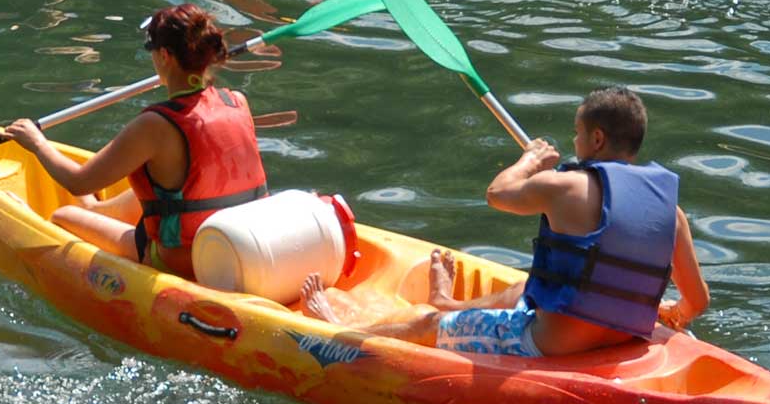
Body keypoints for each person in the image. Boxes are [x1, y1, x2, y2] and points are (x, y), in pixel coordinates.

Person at [296, 87, 709, 358]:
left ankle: (341, 333)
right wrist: (674, 313)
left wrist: (530, 160)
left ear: (597, 139)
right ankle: (451, 303)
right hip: (622, 339)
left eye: (578, 133)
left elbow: (498, 194)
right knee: (522, 288)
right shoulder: (670, 213)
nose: (575, 142)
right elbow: (698, 301)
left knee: (428, 323)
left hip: (546, 344)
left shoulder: (563, 186)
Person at [5, 5, 269, 281]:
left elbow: (78, 182)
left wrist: (36, 143)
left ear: (165, 55)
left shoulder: (155, 125)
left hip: (185, 261)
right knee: (145, 194)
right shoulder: (236, 100)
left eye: (151, 48)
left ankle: (31, 220)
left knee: (64, 215)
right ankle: (93, 211)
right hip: (242, 244)